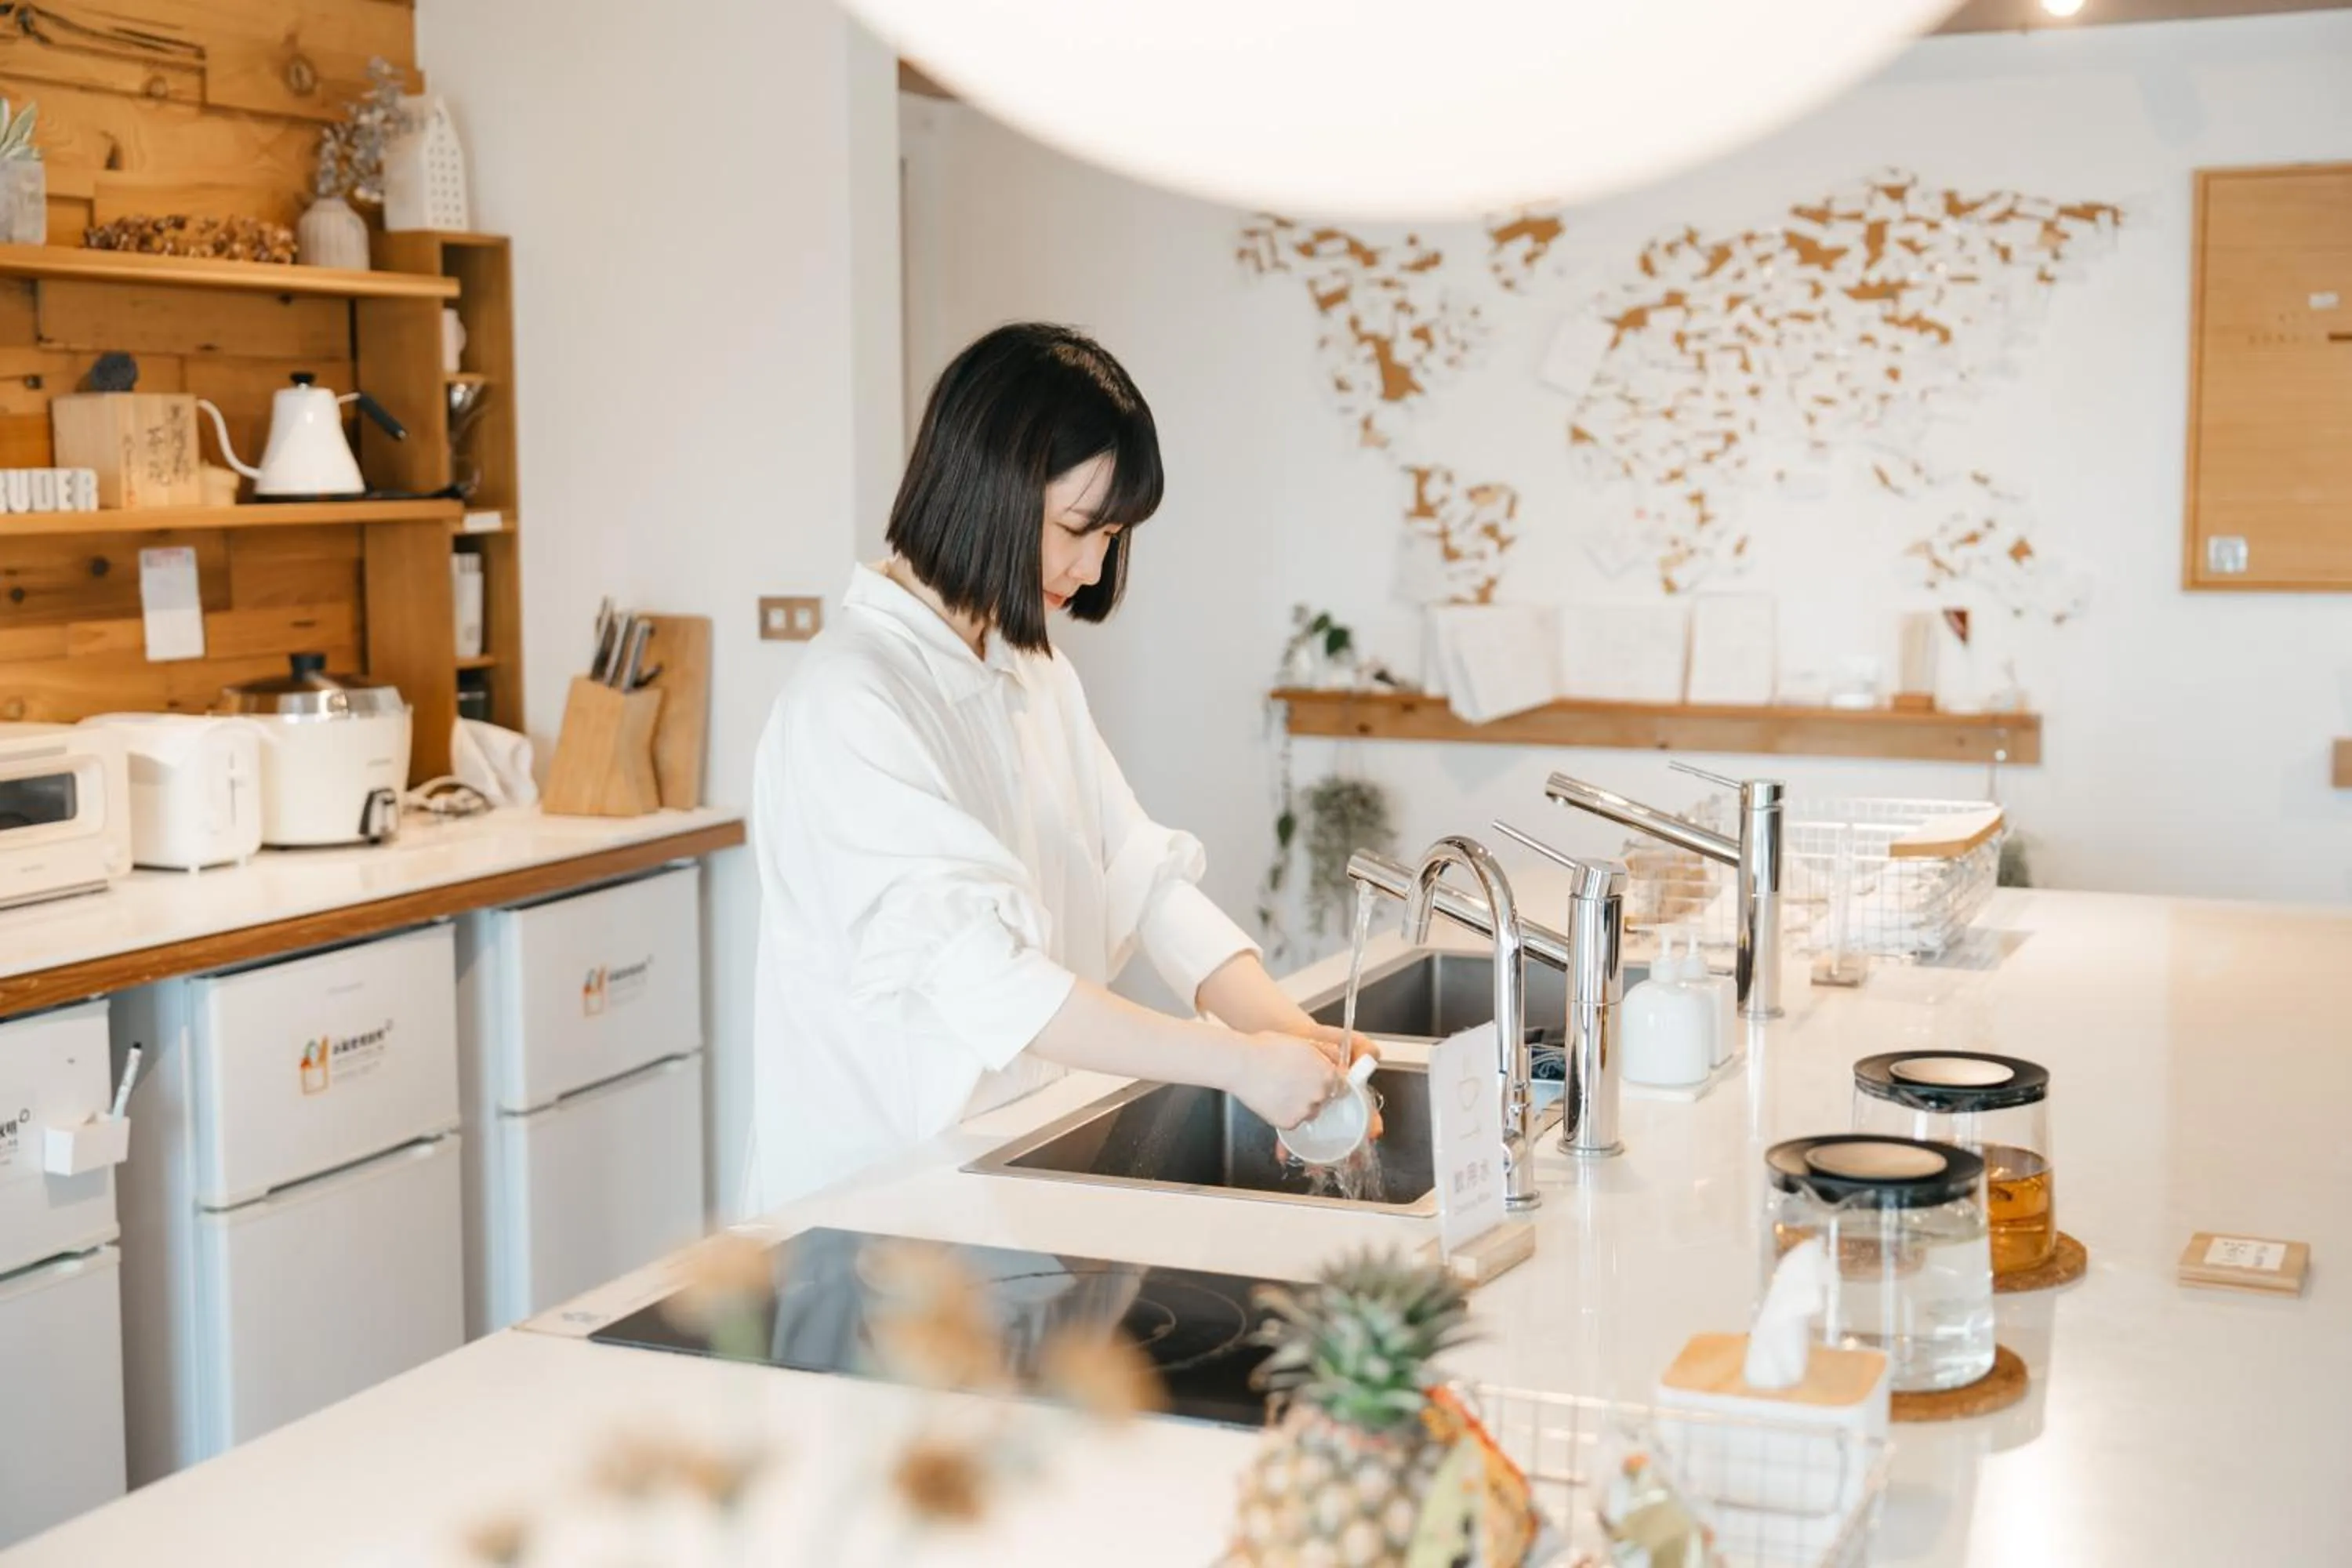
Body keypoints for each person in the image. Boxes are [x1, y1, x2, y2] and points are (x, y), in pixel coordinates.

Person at [742, 322, 1370, 1212]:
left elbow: (1140, 877)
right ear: (990, 485)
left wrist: (1289, 1034)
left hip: (1012, 1164)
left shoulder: (1031, 672)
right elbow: (994, 978)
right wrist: (1238, 1064)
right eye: (1080, 528)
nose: (1093, 566)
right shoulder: (850, 702)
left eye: (1113, 536)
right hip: (880, 1206)